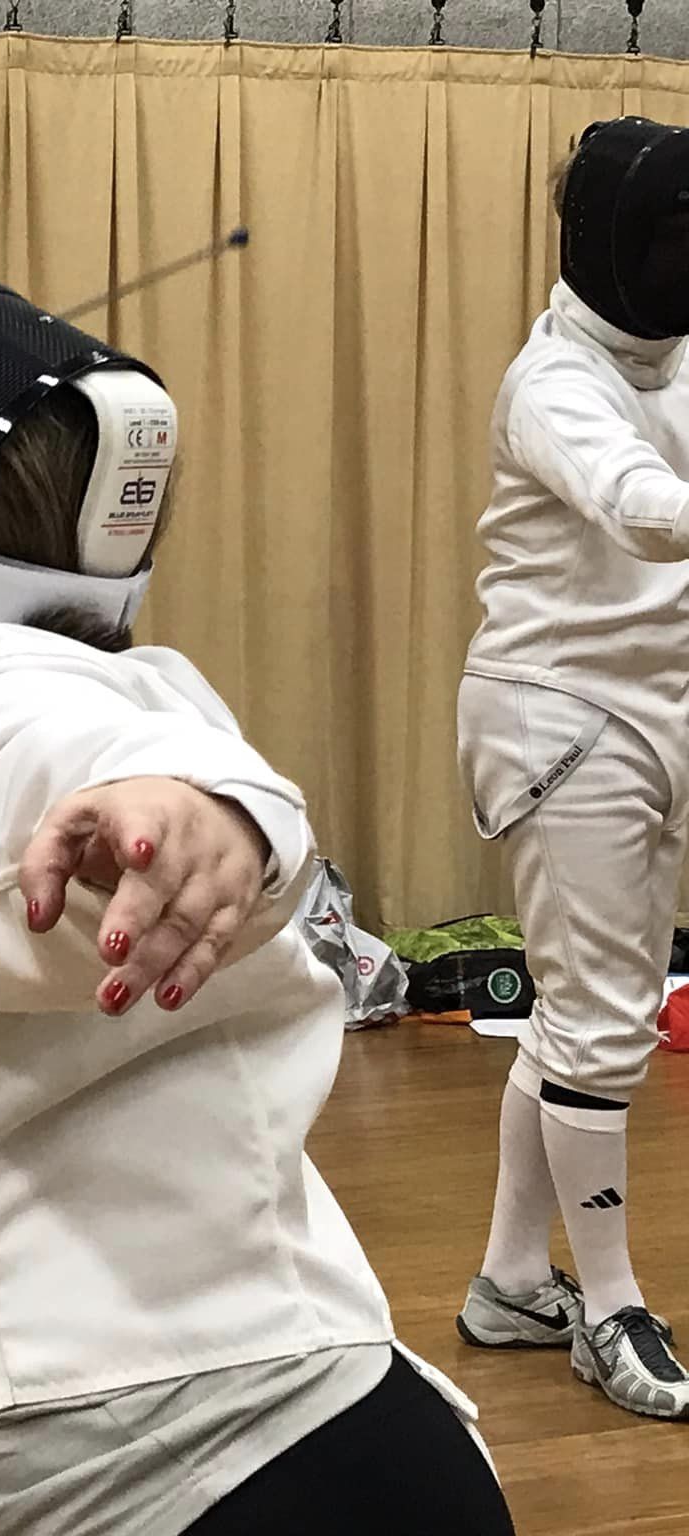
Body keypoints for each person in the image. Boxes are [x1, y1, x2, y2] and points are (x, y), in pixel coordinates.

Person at [0, 263, 517, 1535]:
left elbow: (13, 757)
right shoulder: (126, 679)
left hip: (42, 1464)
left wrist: (175, 811)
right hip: (340, 1413)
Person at [454, 114, 689, 1419]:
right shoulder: (555, 381)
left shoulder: (675, 359)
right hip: (563, 722)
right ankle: (607, 1307)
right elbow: (643, 509)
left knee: (585, 1014)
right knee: (601, 1025)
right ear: (611, 245)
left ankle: (507, 1280)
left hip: (654, 711)